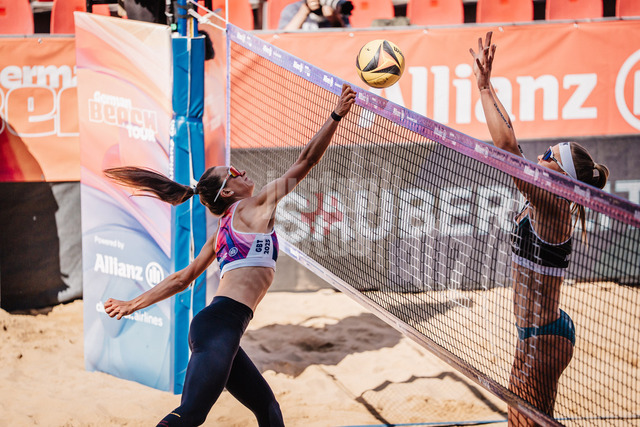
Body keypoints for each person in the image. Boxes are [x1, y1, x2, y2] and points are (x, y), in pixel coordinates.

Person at [103, 84, 357, 426]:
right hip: (221, 326)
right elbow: (306, 160)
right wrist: (336, 115)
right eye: (234, 173)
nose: (242, 171)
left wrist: (133, 304)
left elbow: (181, 279)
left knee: (268, 408)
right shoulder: (254, 207)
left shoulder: (221, 232)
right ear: (226, 192)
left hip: (220, 327)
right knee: (191, 415)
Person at [469, 33, 609, 426]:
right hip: (538, 330)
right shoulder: (548, 201)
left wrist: (484, 88)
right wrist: (486, 86)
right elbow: (513, 146)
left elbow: (508, 149)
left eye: (549, 156)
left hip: (543, 334)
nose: (540, 156)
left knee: (523, 420)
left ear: (562, 175)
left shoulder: (551, 204)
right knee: (535, 419)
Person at [278, 0, 353, 31]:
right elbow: (283, 37)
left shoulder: (336, 7)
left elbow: (348, 39)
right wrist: (304, 11)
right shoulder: (293, 9)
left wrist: (334, 19)